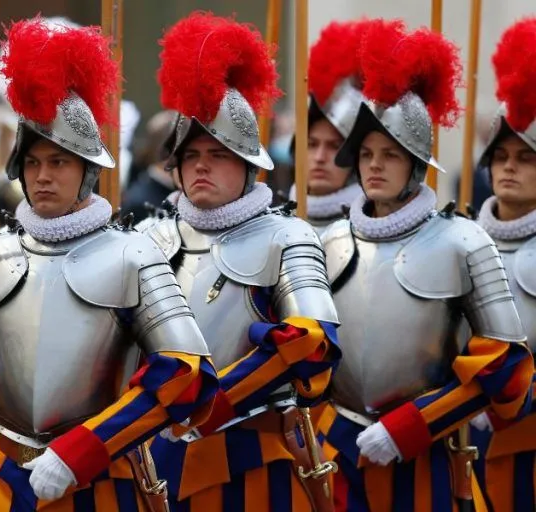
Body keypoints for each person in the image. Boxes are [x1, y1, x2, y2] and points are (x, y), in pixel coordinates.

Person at [0, 18, 218, 511]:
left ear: (88, 171)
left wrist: (87, 447)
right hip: (1, 479)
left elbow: (186, 373)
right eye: (33, 163)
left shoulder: (132, 254)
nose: (43, 176)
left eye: (60, 162)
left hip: (103, 477)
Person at [317, 20, 533, 511]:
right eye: (367, 153)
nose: (373, 165)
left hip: (427, 454)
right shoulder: (329, 240)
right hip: (340, 448)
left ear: (415, 165)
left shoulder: (462, 241)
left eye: (390, 154)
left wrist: (416, 423)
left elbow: (505, 363)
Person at [144, 13, 341, 511]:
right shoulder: (147, 238)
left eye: (219, 153)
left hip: (253, 459)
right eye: (191, 155)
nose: (202, 165)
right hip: (153, 456)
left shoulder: (286, 236)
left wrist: (209, 402)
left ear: (250, 165)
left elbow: (313, 342)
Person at [468, 17, 536, 512]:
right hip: (452, 436)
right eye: (501, 155)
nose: (509, 166)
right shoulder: (458, 240)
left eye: (526, 158)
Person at [289, 19, 371, 234]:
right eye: (311, 144)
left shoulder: (375, 227)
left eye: (335, 146)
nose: (319, 157)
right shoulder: (273, 226)